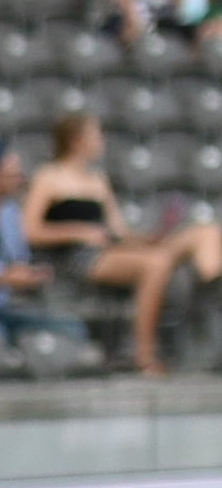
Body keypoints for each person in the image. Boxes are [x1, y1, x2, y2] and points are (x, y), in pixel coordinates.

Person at [22, 108, 222, 376]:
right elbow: (31, 230)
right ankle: (144, 355)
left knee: (205, 232)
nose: (101, 140)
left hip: (111, 248)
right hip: (79, 258)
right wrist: (77, 231)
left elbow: (118, 231)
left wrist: (148, 238)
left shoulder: (98, 180)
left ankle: (212, 288)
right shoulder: (48, 177)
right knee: (156, 264)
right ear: (77, 139)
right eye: (96, 134)